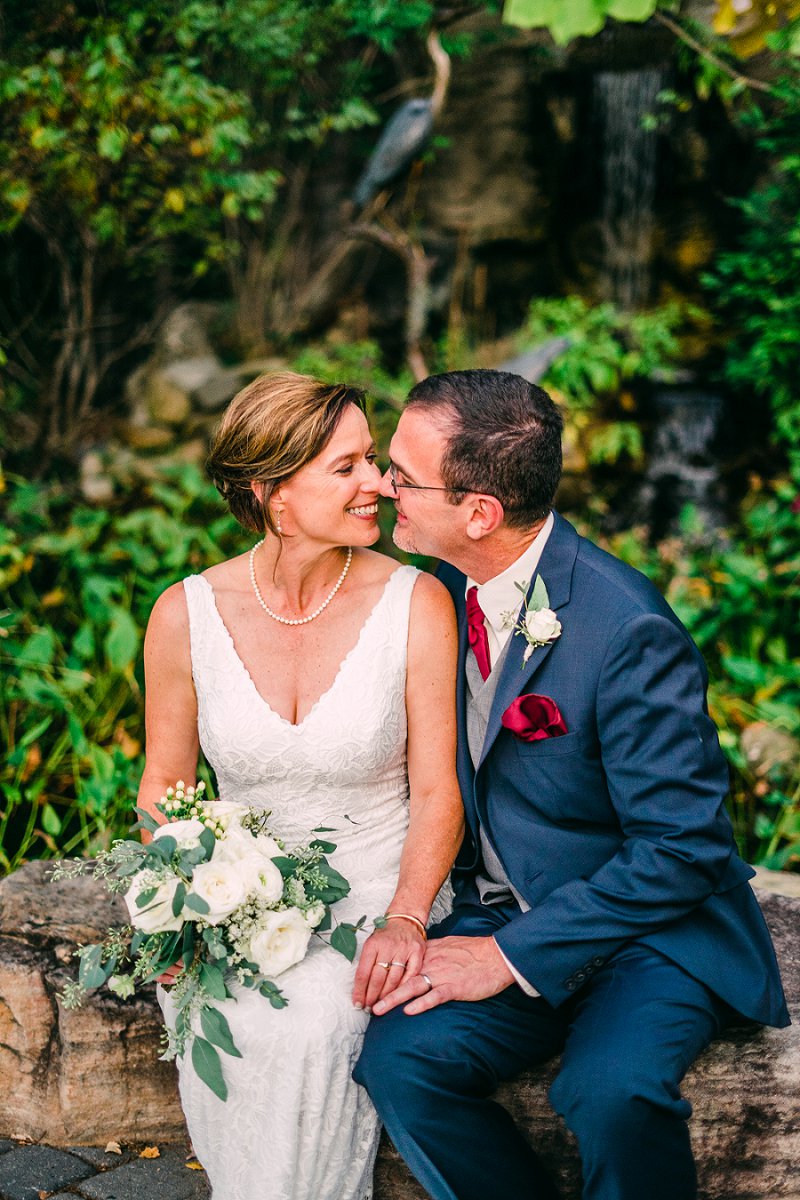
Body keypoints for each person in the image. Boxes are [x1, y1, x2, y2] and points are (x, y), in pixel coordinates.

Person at [354, 369, 789, 1200]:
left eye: (401, 475)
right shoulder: (436, 586)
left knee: (610, 1092)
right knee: (400, 1062)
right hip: (504, 907)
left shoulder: (628, 628)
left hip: (648, 936)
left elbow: (684, 849)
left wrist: (507, 955)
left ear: (480, 511)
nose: (380, 486)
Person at [138, 372, 464, 1200]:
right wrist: (180, 909)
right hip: (236, 891)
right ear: (271, 491)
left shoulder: (416, 602)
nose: (379, 485)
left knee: (312, 1027)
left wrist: (406, 917)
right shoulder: (185, 615)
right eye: (346, 467)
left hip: (377, 886)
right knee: (222, 1012)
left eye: (373, 461)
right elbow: (163, 785)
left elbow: (438, 794)